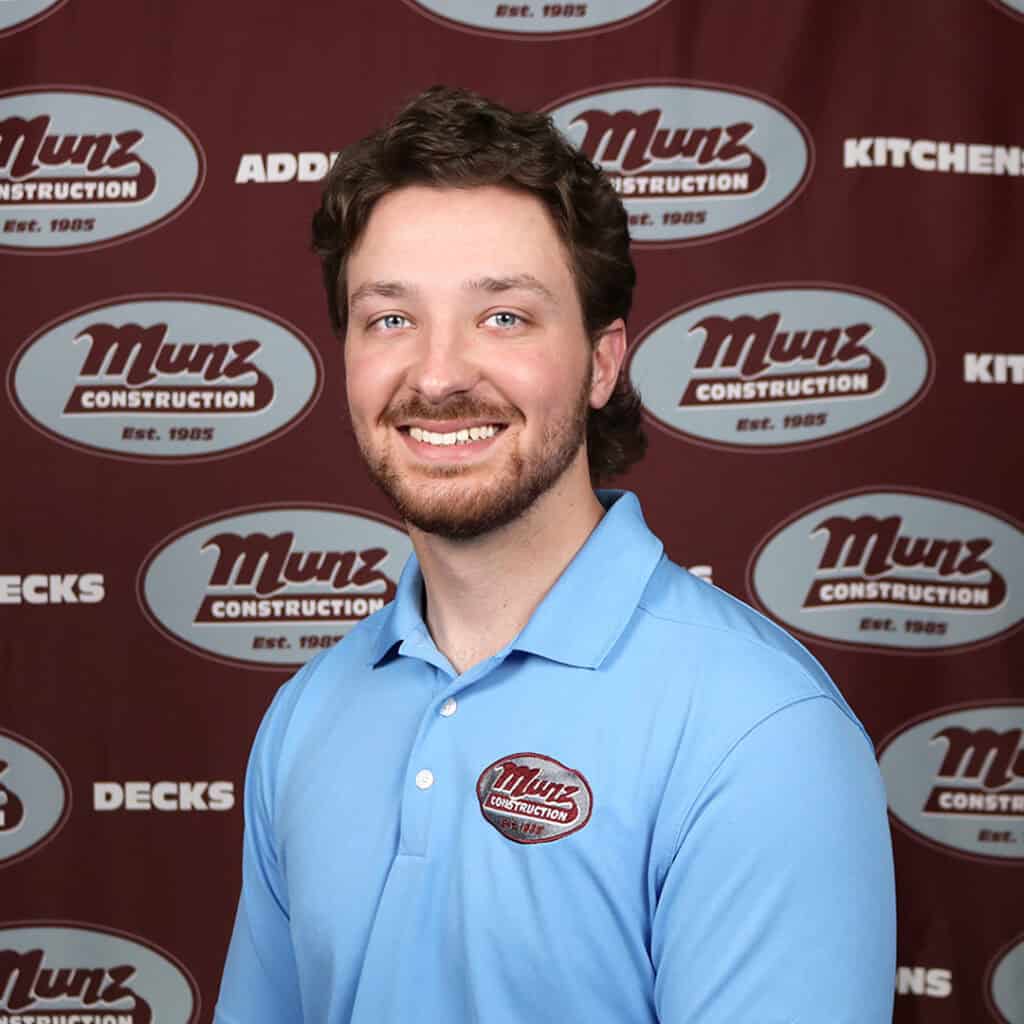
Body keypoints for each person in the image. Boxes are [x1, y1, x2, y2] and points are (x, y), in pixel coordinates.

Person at [214, 86, 896, 1024]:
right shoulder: (308, 714)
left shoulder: (759, 731)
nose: (439, 375)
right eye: (390, 318)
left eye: (503, 316)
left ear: (602, 362)